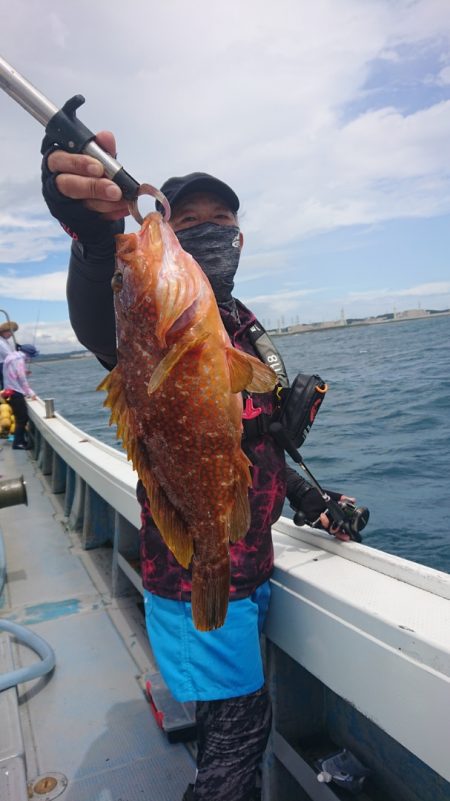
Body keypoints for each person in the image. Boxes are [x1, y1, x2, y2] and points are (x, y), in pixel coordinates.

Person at [41, 132, 356, 801]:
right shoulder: (154, 327)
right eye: (188, 224)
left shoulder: (236, 325)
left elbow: (253, 442)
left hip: (250, 563)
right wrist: (96, 245)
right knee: (237, 747)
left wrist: (306, 497)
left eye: (223, 224)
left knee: (243, 725)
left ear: (240, 239)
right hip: (196, 579)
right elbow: (102, 322)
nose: (208, 234)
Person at [3, 343, 38, 450]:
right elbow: (22, 380)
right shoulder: (19, 360)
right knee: (22, 418)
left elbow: (13, 373)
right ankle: (17, 443)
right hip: (16, 392)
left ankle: (21, 440)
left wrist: (23, 371)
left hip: (8, 390)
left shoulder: (11, 357)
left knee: (20, 418)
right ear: (28, 354)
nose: (29, 359)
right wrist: (30, 393)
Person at [0, 320, 19, 389]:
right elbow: (8, 354)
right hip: (2, 365)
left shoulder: (4, 341)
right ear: (3, 331)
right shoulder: (1, 341)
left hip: (5, 365)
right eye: (10, 332)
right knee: (5, 385)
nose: (11, 334)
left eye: (13, 332)